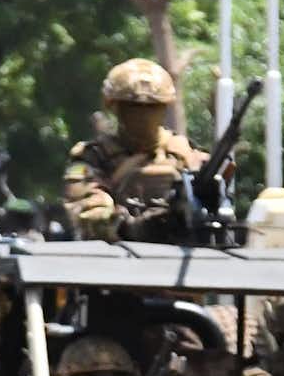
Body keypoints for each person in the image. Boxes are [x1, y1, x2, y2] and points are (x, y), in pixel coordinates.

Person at [63, 58, 206, 242]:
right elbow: (87, 215)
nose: (143, 115)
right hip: (116, 261)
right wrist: (131, 227)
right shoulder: (94, 157)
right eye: (132, 106)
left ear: (165, 106)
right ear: (112, 105)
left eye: (152, 107)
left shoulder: (186, 154)